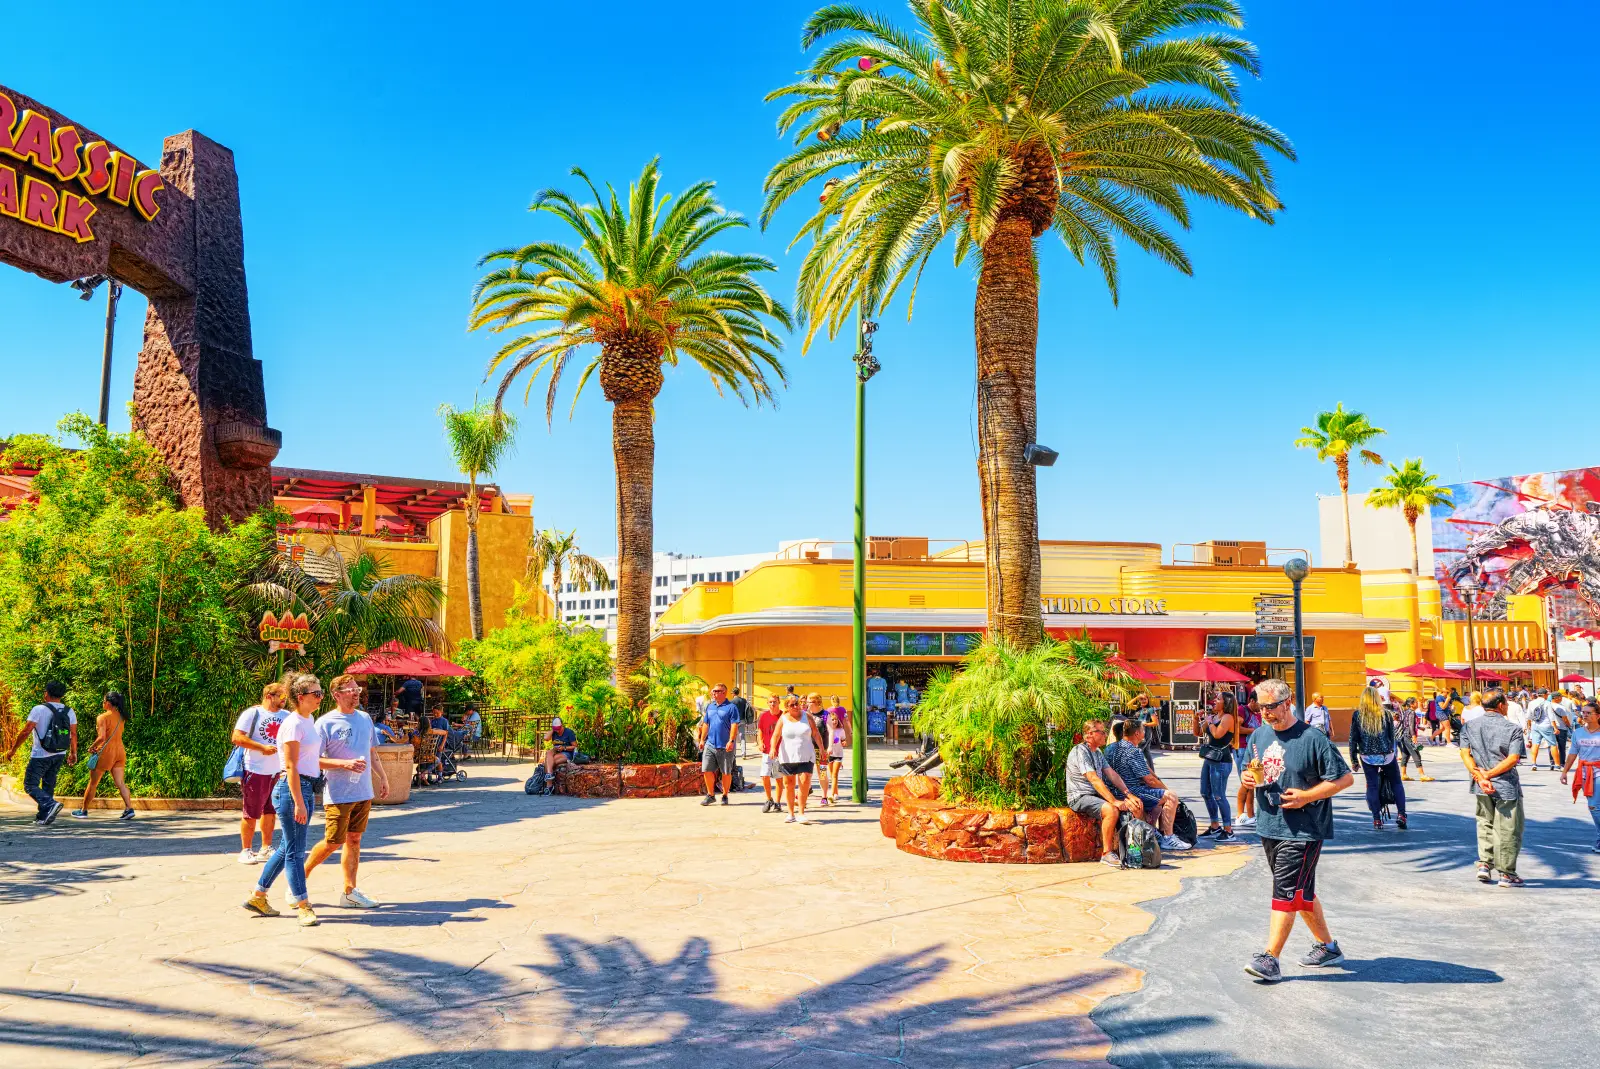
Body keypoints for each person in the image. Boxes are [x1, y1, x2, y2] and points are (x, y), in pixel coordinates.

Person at [1239, 678, 1355, 983]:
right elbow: (1247, 766)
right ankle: (1328, 947)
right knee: (1301, 893)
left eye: (1271, 707)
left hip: (1304, 829)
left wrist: (1307, 795)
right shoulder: (1259, 735)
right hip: (1269, 824)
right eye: (1260, 706)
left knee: (1285, 892)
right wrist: (1247, 778)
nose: (1265, 713)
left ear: (1288, 702)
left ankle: (1271, 959)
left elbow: (1344, 779)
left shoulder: (1313, 738)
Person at [244, 674, 329, 926]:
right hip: (293, 789)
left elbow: (309, 760)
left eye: (321, 692)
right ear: (300, 697)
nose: (320, 697)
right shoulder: (293, 724)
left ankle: (258, 895)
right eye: (316, 693)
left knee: (286, 847)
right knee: (295, 850)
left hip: (304, 787)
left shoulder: (308, 719)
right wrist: (299, 802)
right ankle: (303, 905)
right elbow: (290, 766)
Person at [303, 674, 388, 909]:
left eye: (357, 689)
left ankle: (350, 892)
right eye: (350, 690)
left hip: (363, 790)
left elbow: (372, 751)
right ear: (336, 695)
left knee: (355, 839)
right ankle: (299, 881)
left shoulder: (364, 718)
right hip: (339, 792)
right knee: (333, 841)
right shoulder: (325, 723)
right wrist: (344, 764)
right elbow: (313, 761)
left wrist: (383, 777)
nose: (355, 693)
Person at [1459, 689, 1526, 887]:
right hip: (1505, 785)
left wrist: (1481, 777)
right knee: (1508, 828)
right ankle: (1506, 873)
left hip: (1480, 785)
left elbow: (1465, 754)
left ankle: (1484, 865)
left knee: (1484, 823)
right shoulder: (1512, 729)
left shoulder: (1469, 727)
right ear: (1500, 705)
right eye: (1505, 703)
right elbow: (1513, 758)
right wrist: (1488, 775)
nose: (1507, 706)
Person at [1066, 719, 1144, 867]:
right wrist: (1113, 801)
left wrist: (1128, 794)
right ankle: (1107, 853)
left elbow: (1112, 774)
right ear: (1089, 734)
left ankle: (1134, 849)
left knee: (1135, 805)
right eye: (1101, 732)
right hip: (1080, 796)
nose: (1105, 734)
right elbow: (1093, 779)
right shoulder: (1080, 751)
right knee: (1111, 810)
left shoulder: (1098, 753)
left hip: (1095, 796)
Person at [1106, 719, 1188, 852]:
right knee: (1171, 797)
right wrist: (1166, 791)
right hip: (1131, 791)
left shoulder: (1110, 748)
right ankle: (1168, 838)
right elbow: (1149, 780)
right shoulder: (1133, 751)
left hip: (1114, 791)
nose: (1145, 732)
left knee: (1158, 803)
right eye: (1143, 730)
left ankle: (1154, 832)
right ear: (1137, 733)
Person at [3, 681, 78, 826]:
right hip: (59, 753)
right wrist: (73, 753)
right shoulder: (69, 711)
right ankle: (43, 817)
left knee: (30, 785)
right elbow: (73, 734)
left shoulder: (39, 709)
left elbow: (26, 731)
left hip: (40, 754)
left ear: (47, 694)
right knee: (48, 784)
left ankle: (49, 804)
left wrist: (13, 750)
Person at [229, 682, 287, 862]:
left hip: (277, 771)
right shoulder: (253, 713)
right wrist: (261, 747)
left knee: (270, 811)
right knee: (251, 811)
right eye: (282, 697)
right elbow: (237, 737)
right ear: (270, 696)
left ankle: (266, 847)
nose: (285, 701)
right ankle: (246, 850)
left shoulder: (287, 716)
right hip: (255, 768)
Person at [1348, 688, 1408, 830]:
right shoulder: (1386, 714)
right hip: (1386, 755)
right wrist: (1392, 751)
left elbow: (1353, 739)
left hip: (1367, 756)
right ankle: (1401, 814)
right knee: (1397, 784)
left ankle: (1376, 819)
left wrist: (1354, 760)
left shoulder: (1358, 715)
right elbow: (1391, 736)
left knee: (1372, 786)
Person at [70, 691, 134, 820]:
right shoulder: (122, 716)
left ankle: (83, 810)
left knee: (93, 783)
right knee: (120, 783)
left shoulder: (103, 717)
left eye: (104, 701)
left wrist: (92, 746)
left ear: (109, 704)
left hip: (106, 752)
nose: (103, 703)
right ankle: (129, 808)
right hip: (120, 751)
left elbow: (102, 737)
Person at [768, 694, 827, 824]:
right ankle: (791, 813)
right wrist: (773, 748)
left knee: (805, 781)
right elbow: (776, 735)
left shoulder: (808, 716)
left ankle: (801, 812)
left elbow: (816, 733)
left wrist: (822, 749)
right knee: (789, 784)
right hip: (787, 756)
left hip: (806, 755)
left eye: (797, 704)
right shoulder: (783, 719)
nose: (796, 706)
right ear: (787, 707)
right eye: (792, 705)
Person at [1196, 694, 1240, 843]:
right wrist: (1197, 719)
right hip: (1209, 758)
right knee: (1205, 792)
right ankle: (1215, 826)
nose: (1215, 701)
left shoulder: (1228, 718)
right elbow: (1197, 732)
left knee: (1219, 795)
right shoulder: (1213, 717)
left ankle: (1228, 830)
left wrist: (1209, 723)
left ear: (1226, 703)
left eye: (1218, 699)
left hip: (1221, 760)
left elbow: (1217, 734)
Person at [1559, 699, 1600, 853]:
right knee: (1594, 806)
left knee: (1594, 806)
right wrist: (1564, 772)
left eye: (1589, 713)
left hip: (1599, 771)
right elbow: (1572, 754)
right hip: (1584, 774)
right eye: (1583, 713)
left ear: (1597, 716)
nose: (1585, 715)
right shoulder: (1578, 733)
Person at [698, 683, 741, 805]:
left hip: (725, 746)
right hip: (710, 744)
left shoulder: (731, 707)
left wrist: (731, 740)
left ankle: (725, 795)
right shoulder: (710, 707)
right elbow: (706, 724)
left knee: (726, 772)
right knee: (706, 770)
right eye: (714, 691)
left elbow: (734, 725)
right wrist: (702, 739)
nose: (714, 693)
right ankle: (710, 795)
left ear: (724, 693)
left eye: (717, 691)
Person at [1233, 695, 1262, 830]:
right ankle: (1240, 815)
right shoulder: (1242, 710)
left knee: (1251, 784)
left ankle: (1250, 815)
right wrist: (1255, 731)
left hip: (1252, 750)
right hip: (1243, 749)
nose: (1261, 706)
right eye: (1259, 703)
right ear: (1252, 701)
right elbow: (1237, 729)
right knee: (1246, 783)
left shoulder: (1257, 713)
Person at [818, 695, 851, 805]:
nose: (834, 721)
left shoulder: (840, 729)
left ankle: (831, 795)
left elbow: (845, 724)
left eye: (836, 719)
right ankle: (831, 792)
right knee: (826, 773)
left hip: (838, 754)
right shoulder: (827, 726)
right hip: (827, 754)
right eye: (832, 720)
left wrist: (846, 739)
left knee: (834, 774)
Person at [535, 716, 578, 794]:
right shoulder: (554, 731)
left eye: (558, 729)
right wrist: (553, 729)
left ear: (562, 726)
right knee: (548, 753)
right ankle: (549, 775)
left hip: (566, 752)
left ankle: (549, 786)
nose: (557, 731)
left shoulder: (569, 732)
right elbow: (546, 738)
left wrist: (564, 747)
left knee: (548, 763)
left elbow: (575, 746)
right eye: (556, 729)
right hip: (556, 751)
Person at [1394, 697, 1434, 782]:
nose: (1417, 704)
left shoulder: (1406, 712)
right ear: (1412, 704)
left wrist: (1419, 727)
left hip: (1404, 735)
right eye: (1416, 702)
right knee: (1416, 754)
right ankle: (1422, 775)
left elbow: (1406, 724)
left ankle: (1404, 774)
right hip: (1409, 736)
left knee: (1405, 755)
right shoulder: (1412, 712)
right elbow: (1411, 725)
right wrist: (1414, 736)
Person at [757, 695, 783, 813]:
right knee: (765, 776)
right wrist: (760, 742)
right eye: (770, 702)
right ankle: (769, 799)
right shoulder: (764, 716)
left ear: (779, 703)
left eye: (775, 702)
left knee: (778, 778)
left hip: (780, 752)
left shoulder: (784, 716)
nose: (772, 704)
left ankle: (778, 802)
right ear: (767, 703)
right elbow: (760, 731)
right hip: (766, 751)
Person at [1524, 688, 1559, 771]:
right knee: (1553, 744)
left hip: (1535, 725)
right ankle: (1557, 764)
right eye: (1547, 694)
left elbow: (1528, 716)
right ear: (1544, 695)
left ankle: (1533, 763)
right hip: (1546, 725)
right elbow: (1551, 717)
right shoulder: (1547, 703)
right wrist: (1555, 727)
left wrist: (1529, 725)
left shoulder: (1531, 703)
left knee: (1535, 744)